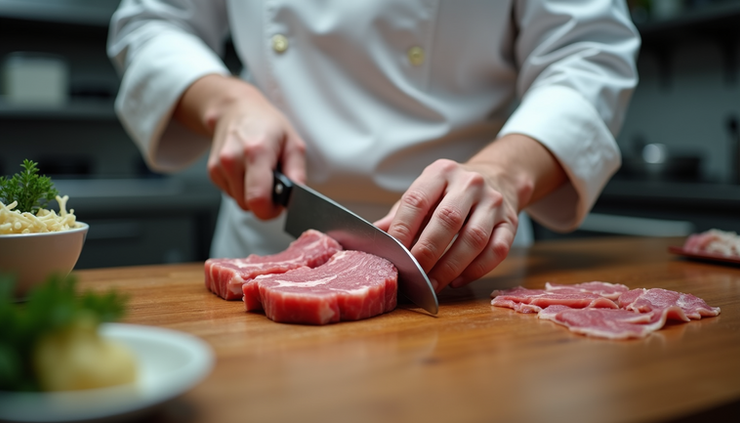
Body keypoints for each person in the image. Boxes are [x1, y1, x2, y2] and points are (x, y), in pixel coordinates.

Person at [108, 0, 640, 293]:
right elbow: (151, 23)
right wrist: (227, 101)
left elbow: (589, 52)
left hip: (463, 258)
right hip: (270, 244)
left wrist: (506, 171)